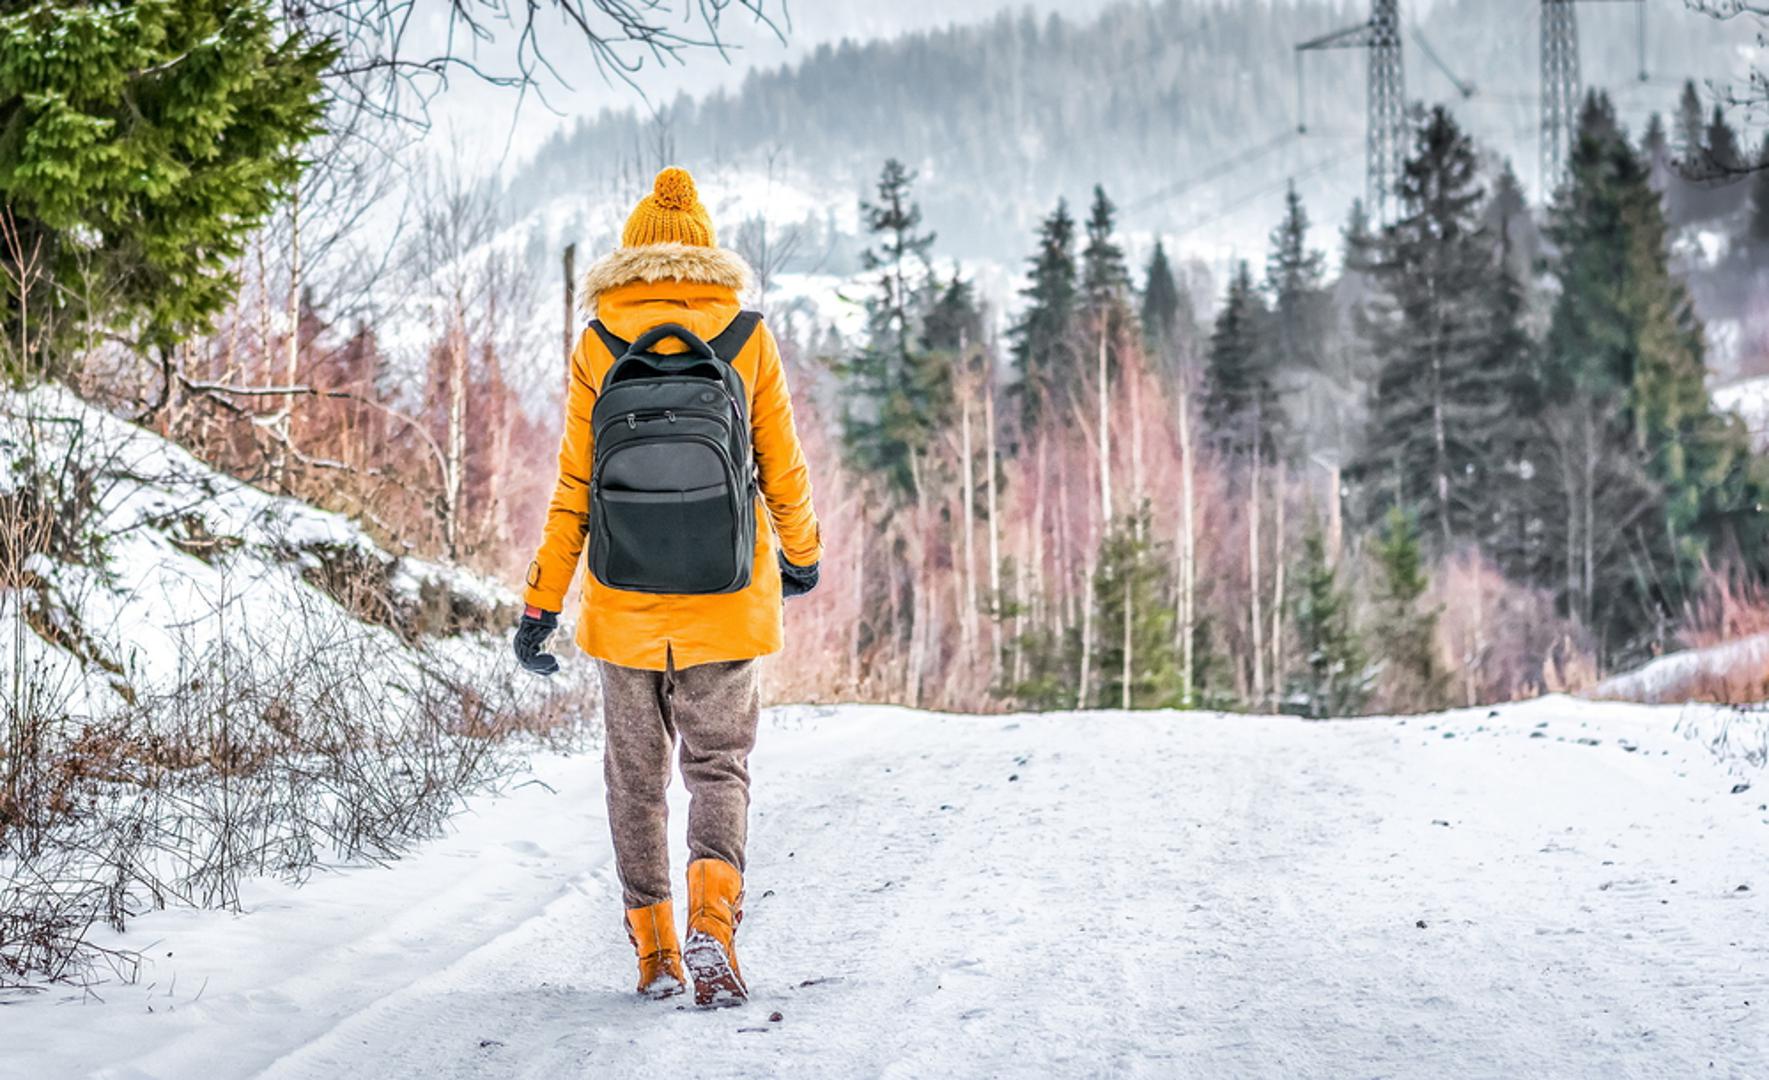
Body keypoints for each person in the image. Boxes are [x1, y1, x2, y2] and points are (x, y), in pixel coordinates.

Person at [512, 167, 822, 1008]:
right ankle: (712, 927)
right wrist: (801, 554)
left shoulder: (597, 341)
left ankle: (653, 954)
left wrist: (541, 603)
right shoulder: (746, 335)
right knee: (718, 768)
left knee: (634, 778)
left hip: (621, 602)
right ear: (705, 252)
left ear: (634, 254)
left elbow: (574, 485)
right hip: (726, 596)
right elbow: (782, 467)